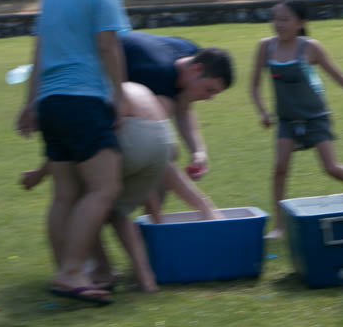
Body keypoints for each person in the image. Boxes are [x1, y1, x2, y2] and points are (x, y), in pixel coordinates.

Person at [15, 0, 129, 304]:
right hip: (83, 100)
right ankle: (71, 271)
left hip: (51, 101)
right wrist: (120, 93)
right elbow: (107, 46)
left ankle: (70, 269)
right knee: (104, 188)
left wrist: (30, 103)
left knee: (65, 193)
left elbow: (39, 51)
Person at [21, 82, 221, 299]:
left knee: (89, 198)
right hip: (162, 143)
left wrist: (40, 174)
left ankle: (96, 272)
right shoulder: (141, 86)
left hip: (130, 137)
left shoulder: (90, 89)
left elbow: (78, 142)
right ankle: (145, 279)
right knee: (116, 210)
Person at [250, 0, 343, 239]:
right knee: (280, 168)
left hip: (315, 117)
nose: (278, 24)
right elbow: (254, 86)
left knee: (331, 167)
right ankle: (280, 226)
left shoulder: (310, 47)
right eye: (275, 19)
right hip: (286, 120)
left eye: (285, 19)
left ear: (301, 23)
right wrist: (263, 112)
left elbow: (339, 76)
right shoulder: (266, 47)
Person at [121, 32, 234, 180]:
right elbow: (155, 140)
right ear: (197, 69)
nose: (208, 98)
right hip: (92, 74)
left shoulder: (193, 53)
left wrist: (198, 152)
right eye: (209, 90)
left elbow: (183, 108)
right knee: (163, 151)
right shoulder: (157, 75)